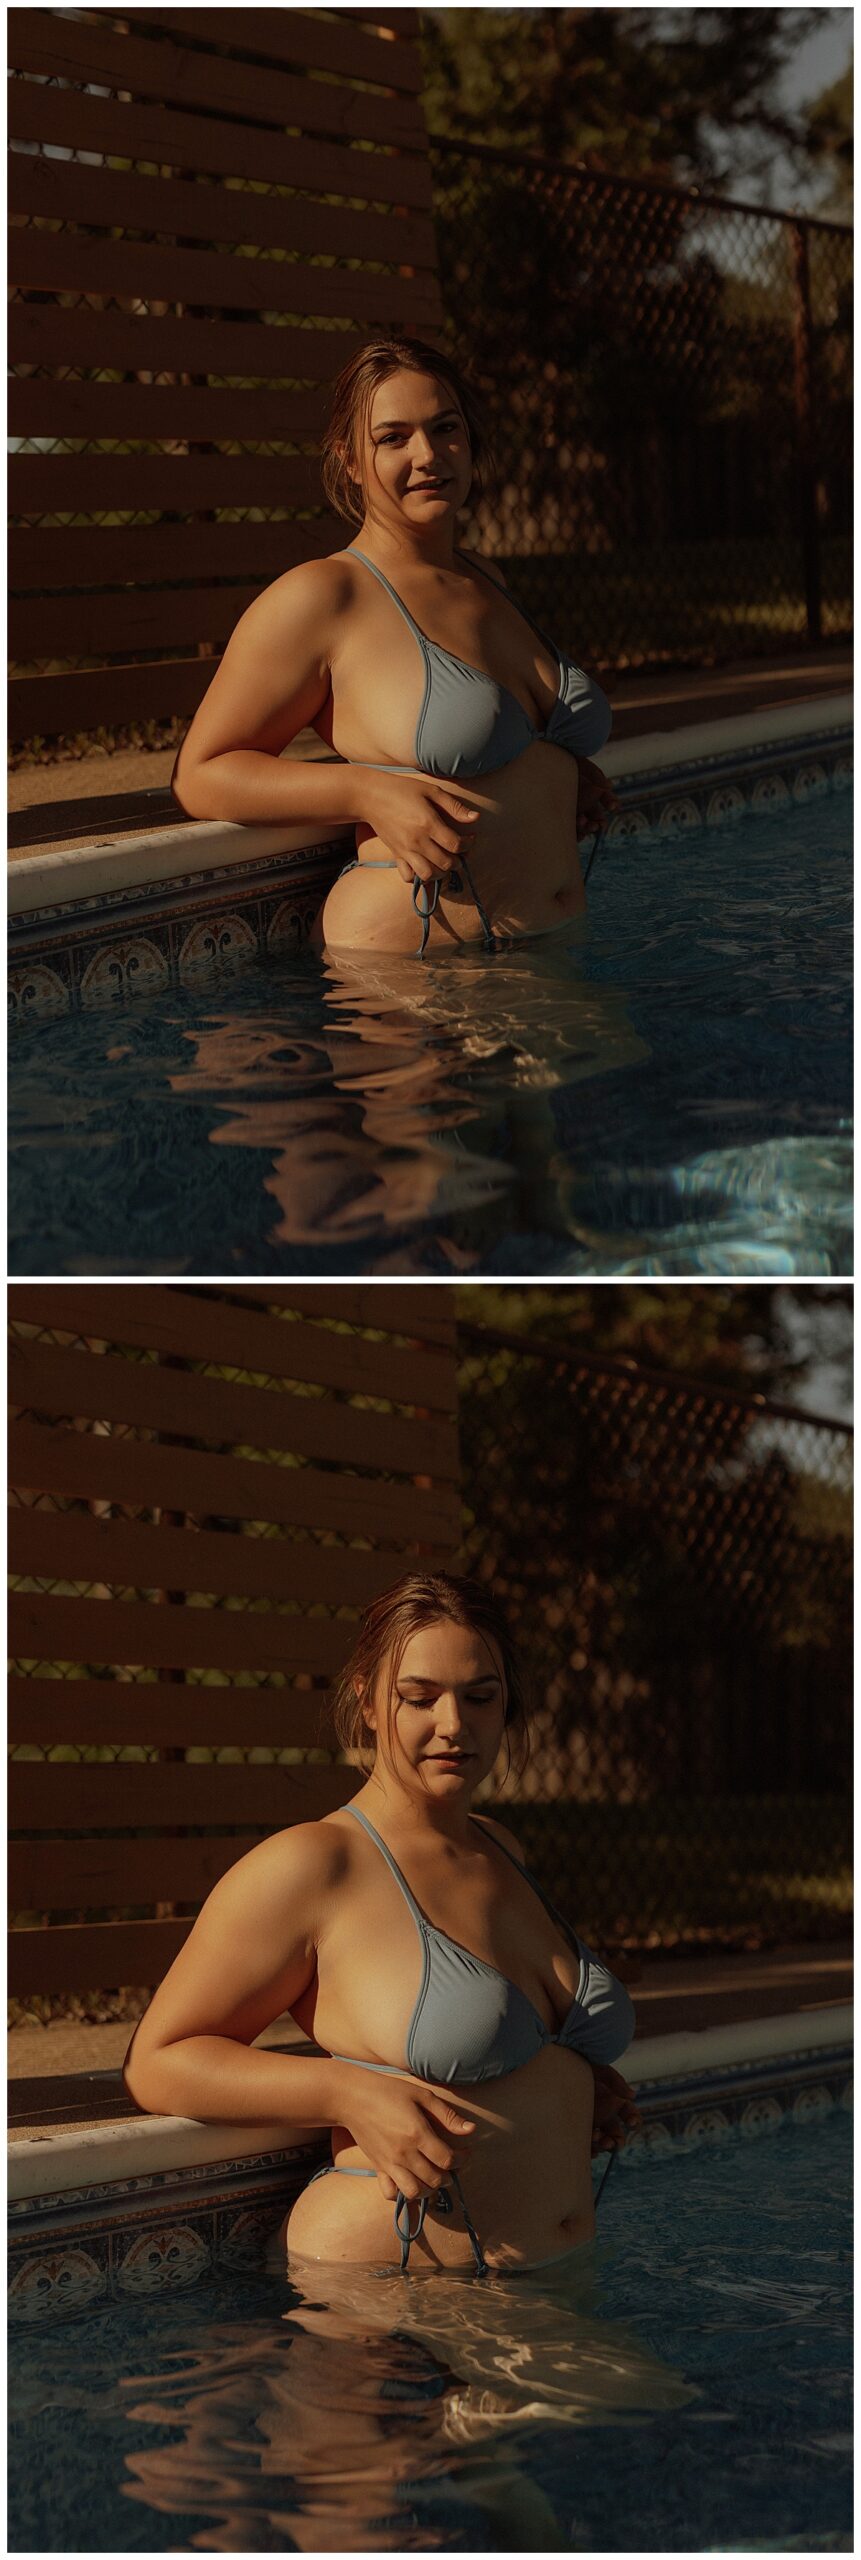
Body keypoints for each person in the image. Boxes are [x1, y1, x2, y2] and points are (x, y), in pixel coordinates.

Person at [124, 1572, 640, 2278]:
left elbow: (504, 2054)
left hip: (542, 2278)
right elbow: (159, 2060)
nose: (453, 1725)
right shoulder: (314, 1865)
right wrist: (346, 2092)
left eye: (480, 1697)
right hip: (388, 2289)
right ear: (367, 1702)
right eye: (418, 1698)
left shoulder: (500, 1849)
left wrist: (571, 2088)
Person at [170, 337, 618, 958]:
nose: (428, 455)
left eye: (445, 428)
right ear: (350, 461)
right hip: (421, 969)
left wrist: (564, 777)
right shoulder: (324, 596)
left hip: (549, 949)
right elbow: (202, 774)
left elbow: (502, 751)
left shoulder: (486, 578)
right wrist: (366, 792)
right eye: (393, 438)